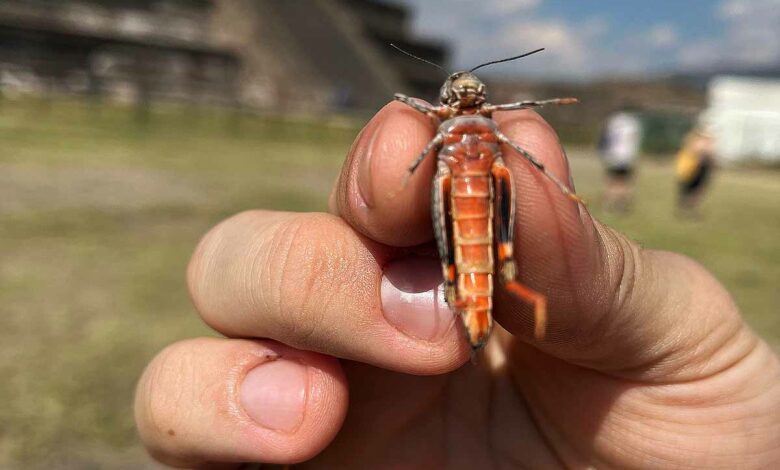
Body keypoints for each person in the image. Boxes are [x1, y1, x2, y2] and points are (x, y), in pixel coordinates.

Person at [134, 103, 780, 468]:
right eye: (457, 99)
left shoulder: (497, 131)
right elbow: (412, 161)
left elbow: (521, 159)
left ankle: (495, 298)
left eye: (478, 100)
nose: (468, 102)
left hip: (487, 206)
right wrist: (415, 162)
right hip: (450, 198)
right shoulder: (438, 129)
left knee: (494, 246)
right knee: (449, 244)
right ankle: (470, 309)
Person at [598, 106, 643, 213]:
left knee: (612, 181)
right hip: (627, 156)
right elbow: (635, 140)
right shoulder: (633, 123)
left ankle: (610, 204)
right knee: (625, 182)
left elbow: (606, 137)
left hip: (613, 154)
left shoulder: (613, 120)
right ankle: (621, 204)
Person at [676, 126, 716, 218]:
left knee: (698, 189)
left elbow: (710, 155)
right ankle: (684, 209)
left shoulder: (708, 143)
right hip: (692, 168)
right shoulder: (693, 141)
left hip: (703, 167)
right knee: (688, 188)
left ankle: (692, 209)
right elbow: (692, 151)